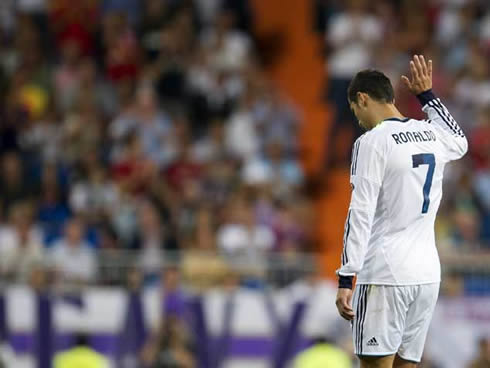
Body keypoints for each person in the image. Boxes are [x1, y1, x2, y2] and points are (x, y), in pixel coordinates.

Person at [335, 55, 468, 368]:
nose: (357, 119)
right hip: (426, 275)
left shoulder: (372, 142)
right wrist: (428, 96)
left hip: (385, 272)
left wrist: (345, 277)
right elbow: (460, 141)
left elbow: (360, 211)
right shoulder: (432, 134)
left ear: (362, 98)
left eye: (354, 110)